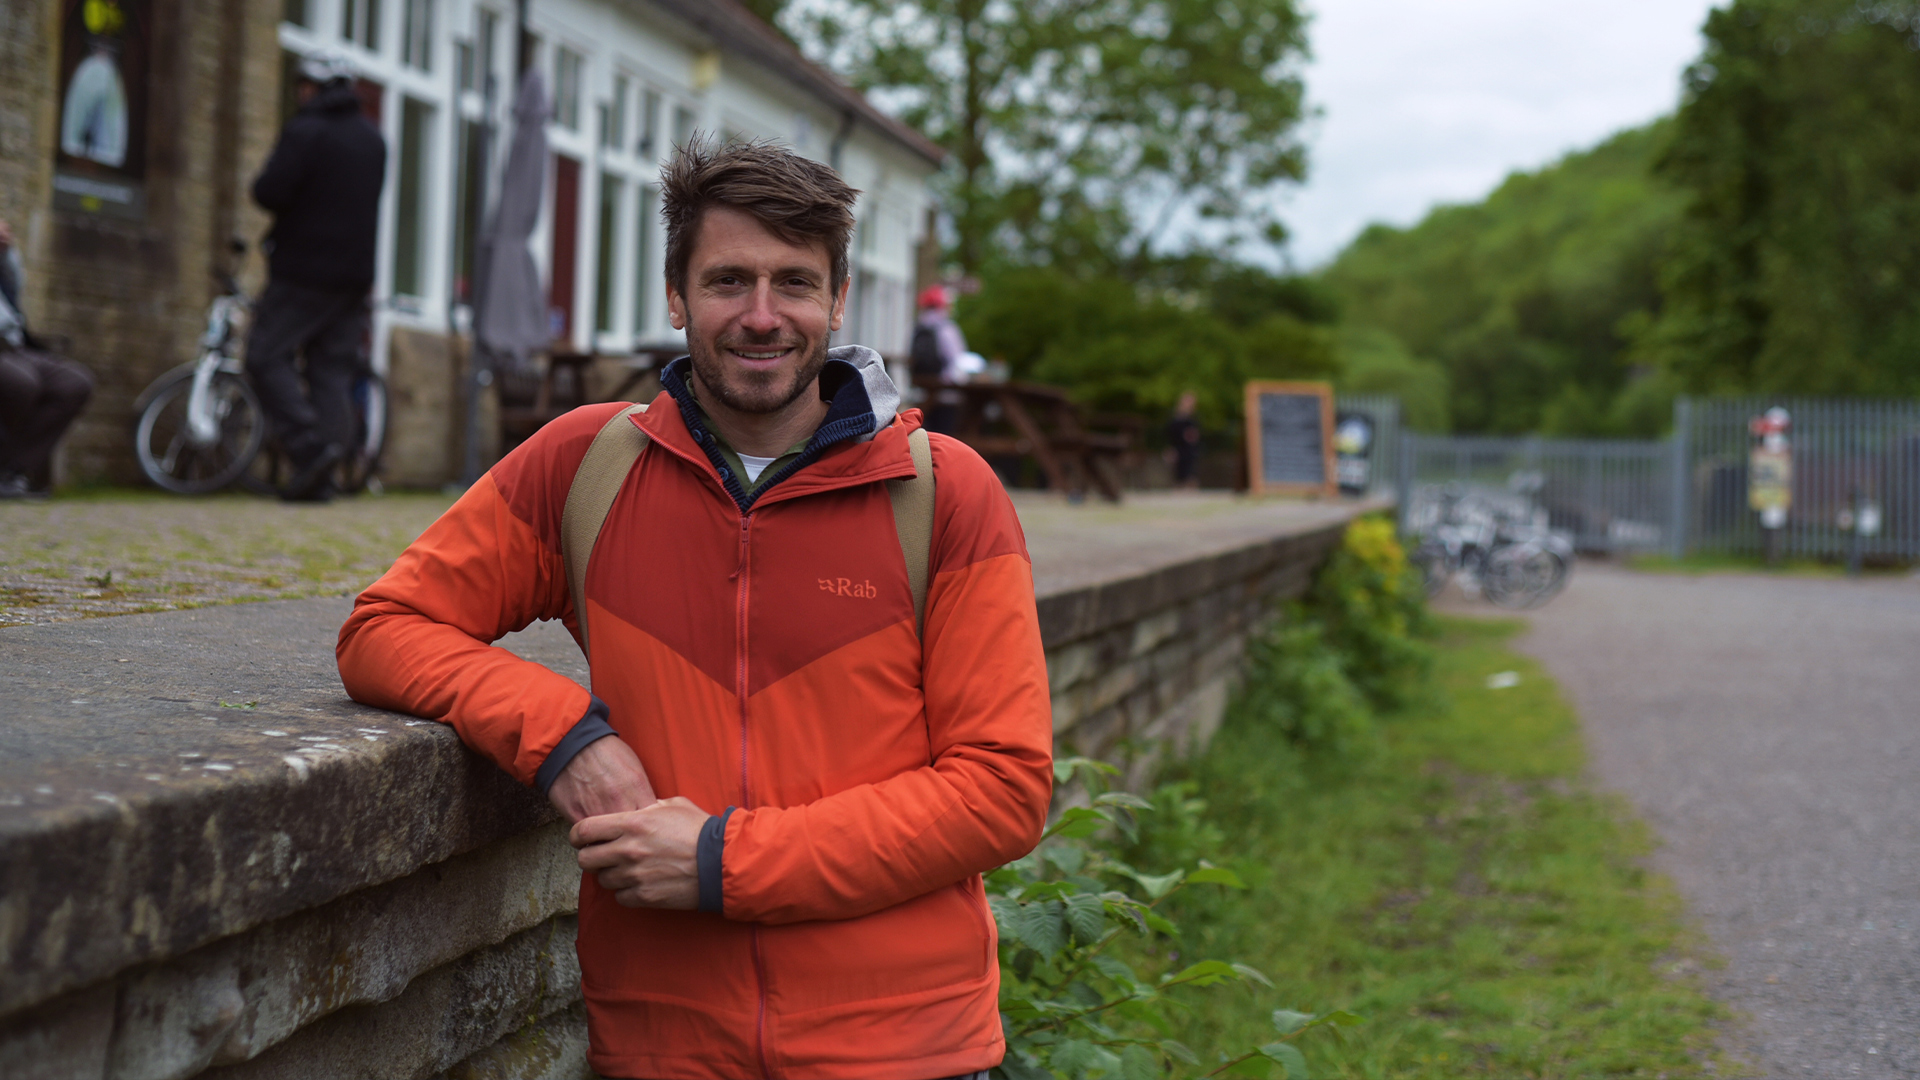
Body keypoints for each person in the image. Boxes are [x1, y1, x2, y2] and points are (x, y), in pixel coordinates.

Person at [336, 139, 1054, 1079]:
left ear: (838, 301)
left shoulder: (944, 492)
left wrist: (724, 861)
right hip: (662, 1048)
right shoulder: (584, 466)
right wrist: (566, 739)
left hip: (905, 1047)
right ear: (676, 296)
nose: (763, 317)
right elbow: (383, 629)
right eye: (727, 281)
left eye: (795, 283)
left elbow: (1002, 788)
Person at [246, 49, 386, 502]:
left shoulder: (305, 131)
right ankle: (323, 478)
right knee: (330, 372)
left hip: (303, 272)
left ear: (315, 88)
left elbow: (269, 191)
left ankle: (309, 450)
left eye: (302, 85)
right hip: (354, 280)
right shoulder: (373, 141)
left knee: (265, 356)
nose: (299, 93)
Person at [0, 218, 93, 499]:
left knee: (74, 382)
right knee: (22, 384)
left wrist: (6, 251)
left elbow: (15, 288)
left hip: (14, 345)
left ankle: (15, 472)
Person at [910, 284, 968, 434]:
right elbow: (957, 359)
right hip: (948, 393)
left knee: (926, 434)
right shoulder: (947, 329)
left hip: (921, 392)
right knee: (946, 435)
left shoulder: (917, 327)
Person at [1166, 389, 1202, 489]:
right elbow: (1171, 436)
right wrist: (1171, 449)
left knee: (1190, 474)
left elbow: (1195, 435)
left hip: (1190, 450)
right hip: (1180, 450)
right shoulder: (1176, 419)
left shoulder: (1193, 419)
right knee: (1180, 475)